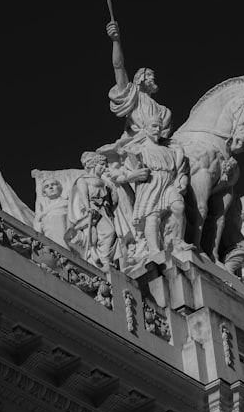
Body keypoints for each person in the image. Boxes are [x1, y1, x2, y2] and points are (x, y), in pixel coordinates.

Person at [120, 116, 189, 263]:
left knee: (179, 206)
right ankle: (154, 250)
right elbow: (123, 175)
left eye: (159, 127)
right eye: (154, 126)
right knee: (152, 217)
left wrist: (182, 179)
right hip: (150, 185)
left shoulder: (170, 150)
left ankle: (178, 243)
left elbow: (180, 170)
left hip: (168, 182)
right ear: (145, 129)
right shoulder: (138, 150)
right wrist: (134, 175)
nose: (157, 129)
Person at [67, 151, 136, 270]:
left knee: (111, 234)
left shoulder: (105, 182)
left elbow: (113, 201)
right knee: (109, 232)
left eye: (105, 165)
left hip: (105, 211)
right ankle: (103, 261)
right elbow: (83, 194)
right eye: (101, 165)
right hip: (93, 211)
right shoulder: (83, 179)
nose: (104, 168)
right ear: (94, 165)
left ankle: (106, 261)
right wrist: (88, 208)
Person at [105, 21, 172, 141]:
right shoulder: (132, 95)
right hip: (137, 143)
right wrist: (116, 41)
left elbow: (163, 138)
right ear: (140, 79)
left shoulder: (164, 111)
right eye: (150, 75)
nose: (153, 78)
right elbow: (118, 66)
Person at [33, 178, 69, 248]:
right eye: (47, 186)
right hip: (50, 246)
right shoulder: (41, 213)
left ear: (60, 188)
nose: (50, 187)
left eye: (53, 184)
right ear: (44, 193)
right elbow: (37, 231)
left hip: (66, 244)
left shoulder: (68, 203)